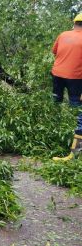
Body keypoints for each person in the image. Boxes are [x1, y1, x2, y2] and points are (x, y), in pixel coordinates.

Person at [52, 13, 82, 161]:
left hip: (57, 74)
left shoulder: (63, 35)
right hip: (75, 77)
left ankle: (53, 128)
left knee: (55, 102)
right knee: (77, 107)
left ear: (74, 23)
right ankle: (75, 152)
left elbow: (55, 52)